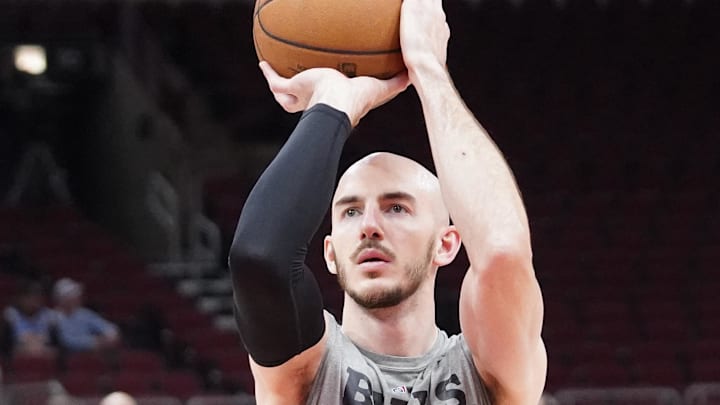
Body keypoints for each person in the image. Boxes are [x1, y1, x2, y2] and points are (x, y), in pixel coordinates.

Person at [228, 0, 546, 403]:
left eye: (397, 207)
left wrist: (429, 69)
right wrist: (335, 103)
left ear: (446, 243)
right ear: (329, 252)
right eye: (350, 211)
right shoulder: (308, 370)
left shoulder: (486, 371)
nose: (369, 225)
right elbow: (259, 259)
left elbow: (504, 251)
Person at [52, 278, 120, 352]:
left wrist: (111, 335)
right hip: (65, 358)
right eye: (71, 297)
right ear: (61, 299)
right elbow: (66, 341)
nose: (76, 299)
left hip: (89, 355)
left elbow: (108, 328)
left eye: (76, 296)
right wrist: (94, 342)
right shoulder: (52, 316)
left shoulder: (85, 314)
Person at [3, 281, 57, 357]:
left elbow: (56, 346)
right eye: (29, 298)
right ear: (22, 299)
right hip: (19, 357)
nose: (33, 302)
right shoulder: (11, 315)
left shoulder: (50, 316)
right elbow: (6, 347)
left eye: (37, 299)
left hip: (44, 356)